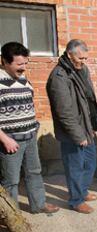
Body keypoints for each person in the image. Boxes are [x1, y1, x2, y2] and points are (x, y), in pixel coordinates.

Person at [0, 42, 59, 214]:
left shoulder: (25, 81)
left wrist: (33, 128)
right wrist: (5, 139)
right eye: (19, 64)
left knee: (34, 172)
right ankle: (13, 216)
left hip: (30, 136)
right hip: (10, 140)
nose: (24, 68)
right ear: (4, 61)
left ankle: (38, 204)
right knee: (11, 180)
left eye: (26, 63)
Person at [46, 39, 97, 214]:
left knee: (90, 163)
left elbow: (89, 100)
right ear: (70, 55)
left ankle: (82, 192)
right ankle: (76, 200)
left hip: (86, 127)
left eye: (85, 58)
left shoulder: (82, 70)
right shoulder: (59, 76)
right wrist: (78, 135)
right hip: (72, 132)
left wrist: (92, 125)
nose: (84, 62)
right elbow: (64, 112)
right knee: (74, 167)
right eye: (81, 58)